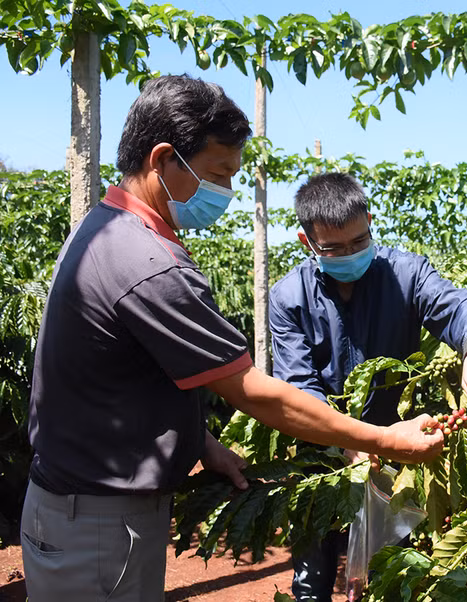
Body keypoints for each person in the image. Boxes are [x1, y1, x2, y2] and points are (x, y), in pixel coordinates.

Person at [21, 75, 443, 602]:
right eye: (218, 174)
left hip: (82, 510)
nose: (225, 191)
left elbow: (123, 375)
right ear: (163, 159)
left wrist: (201, 442)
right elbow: (253, 392)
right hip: (99, 525)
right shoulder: (149, 263)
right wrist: (382, 439)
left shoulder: (104, 229)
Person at [269, 172, 467, 601]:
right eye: (334, 248)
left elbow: (457, 305)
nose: (350, 254)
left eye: (359, 241)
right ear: (308, 243)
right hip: (320, 454)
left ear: (370, 223)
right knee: (313, 570)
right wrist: (346, 440)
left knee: (386, 570)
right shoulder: (289, 297)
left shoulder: (407, 273)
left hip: (396, 452)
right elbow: (299, 385)